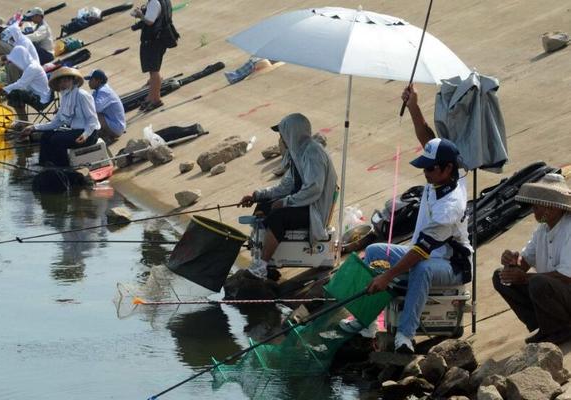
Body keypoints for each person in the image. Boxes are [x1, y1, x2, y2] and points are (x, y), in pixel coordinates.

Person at [361, 85, 472, 353]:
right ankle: (367, 324)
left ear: (447, 169)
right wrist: (413, 106)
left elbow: (421, 251)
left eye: (430, 169)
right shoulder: (440, 171)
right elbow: (429, 141)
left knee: (420, 269)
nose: (425, 173)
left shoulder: (451, 204)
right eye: (424, 167)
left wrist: (387, 276)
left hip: (451, 265)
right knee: (375, 250)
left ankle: (405, 336)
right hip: (421, 252)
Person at [238, 113, 338, 280]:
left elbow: (314, 189)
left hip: (314, 210)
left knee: (278, 216)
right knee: (264, 206)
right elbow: (285, 186)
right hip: (303, 203)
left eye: (282, 134)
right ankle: (266, 258)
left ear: (292, 133)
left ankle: (261, 266)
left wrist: (286, 202)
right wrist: (256, 196)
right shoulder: (298, 154)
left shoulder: (312, 153)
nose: (281, 139)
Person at [493, 173, 571, 345]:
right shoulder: (542, 229)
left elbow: (566, 275)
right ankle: (545, 326)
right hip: (556, 292)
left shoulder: (569, 228)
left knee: (538, 282)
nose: (534, 208)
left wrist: (526, 277)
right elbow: (526, 260)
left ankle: (562, 328)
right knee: (501, 276)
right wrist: (513, 263)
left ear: (554, 206)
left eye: (540, 204)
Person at [21, 67, 101, 167]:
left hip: (90, 134)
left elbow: (92, 119)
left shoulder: (82, 95)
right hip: (76, 131)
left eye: (66, 81)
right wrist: (34, 128)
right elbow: (56, 123)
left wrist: (85, 135)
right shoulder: (65, 97)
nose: (63, 84)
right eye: (61, 82)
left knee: (57, 139)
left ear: (73, 81)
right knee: (46, 135)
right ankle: (45, 164)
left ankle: (63, 168)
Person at [131, 0, 177, 112]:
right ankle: (151, 97)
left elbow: (150, 21)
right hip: (161, 38)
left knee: (154, 71)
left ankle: (156, 99)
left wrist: (140, 15)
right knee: (153, 71)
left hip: (153, 40)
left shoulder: (154, 2)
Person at [0, 45, 52, 123]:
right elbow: (21, 84)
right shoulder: (29, 66)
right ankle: (22, 121)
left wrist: (0, 90)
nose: (15, 63)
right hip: (37, 94)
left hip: (42, 100)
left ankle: (24, 122)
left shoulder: (32, 68)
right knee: (14, 92)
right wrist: (4, 89)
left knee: (14, 93)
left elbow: (20, 84)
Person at [85, 69, 126, 144]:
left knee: (93, 114)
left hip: (117, 127)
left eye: (91, 80)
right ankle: (104, 134)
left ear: (99, 80)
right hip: (113, 124)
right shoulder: (97, 91)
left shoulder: (104, 91)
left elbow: (95, 108)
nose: (89, 82)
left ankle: (105, 136)